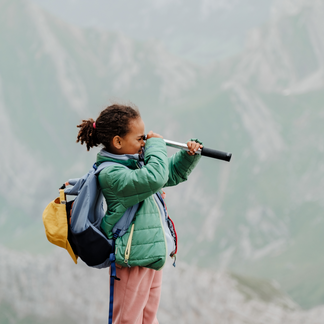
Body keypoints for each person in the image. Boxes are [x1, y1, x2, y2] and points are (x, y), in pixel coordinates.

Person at [76, 103, 202, 324]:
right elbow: (155, 177)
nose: (144, 143)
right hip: (130, 259)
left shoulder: (134, 164)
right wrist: (156, 147)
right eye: (140, 138)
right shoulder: (112, 174)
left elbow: (167, 174)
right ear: (118, 142)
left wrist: (188, 155)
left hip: (150, 256)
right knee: (127, 320)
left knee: (148, 319)